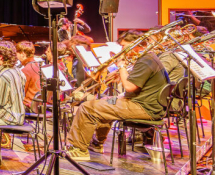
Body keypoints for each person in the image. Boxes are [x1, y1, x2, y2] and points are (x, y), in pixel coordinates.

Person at [65, 29, 169, 161]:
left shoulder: (146, 61)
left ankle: (79, 150)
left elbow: (129, 86)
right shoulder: (149, 57)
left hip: (144, 108)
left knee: (87, 108)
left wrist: (121, 66)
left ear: (136, 44)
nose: (122, 50)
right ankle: (97, 143)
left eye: (124, 46)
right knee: (102, 102)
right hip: (145, 104)